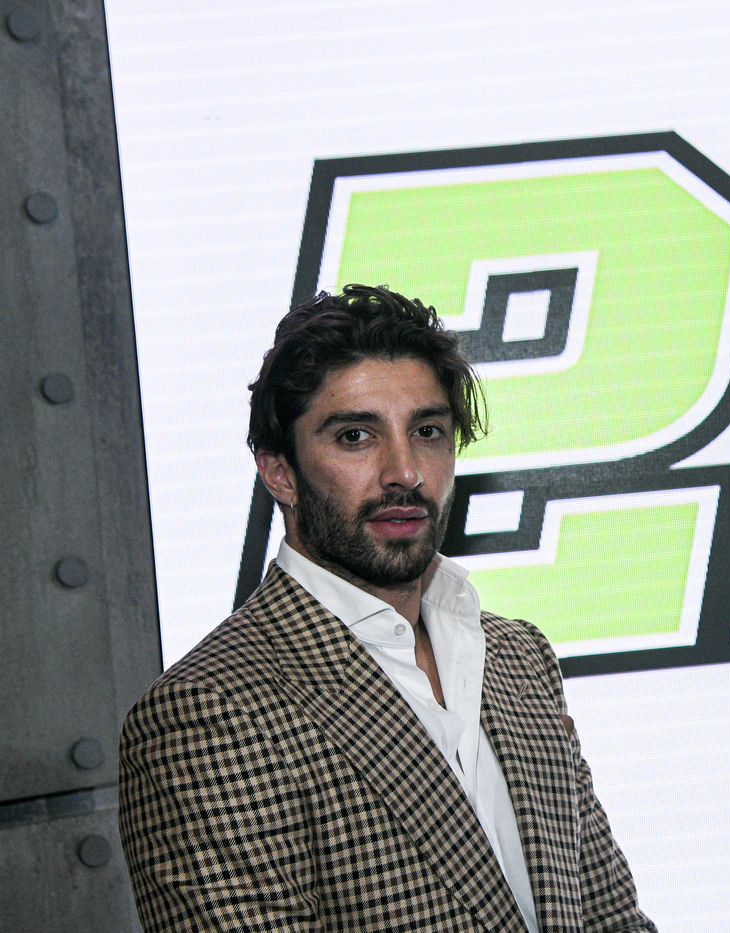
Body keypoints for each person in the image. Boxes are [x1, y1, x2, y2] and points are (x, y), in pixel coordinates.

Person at [118, 285, 656, 933]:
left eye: (427, 432)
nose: (405, 471)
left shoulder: (517, 656)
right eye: (356, 436)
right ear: (280, 472)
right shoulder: (209, 712)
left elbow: (611, 918)